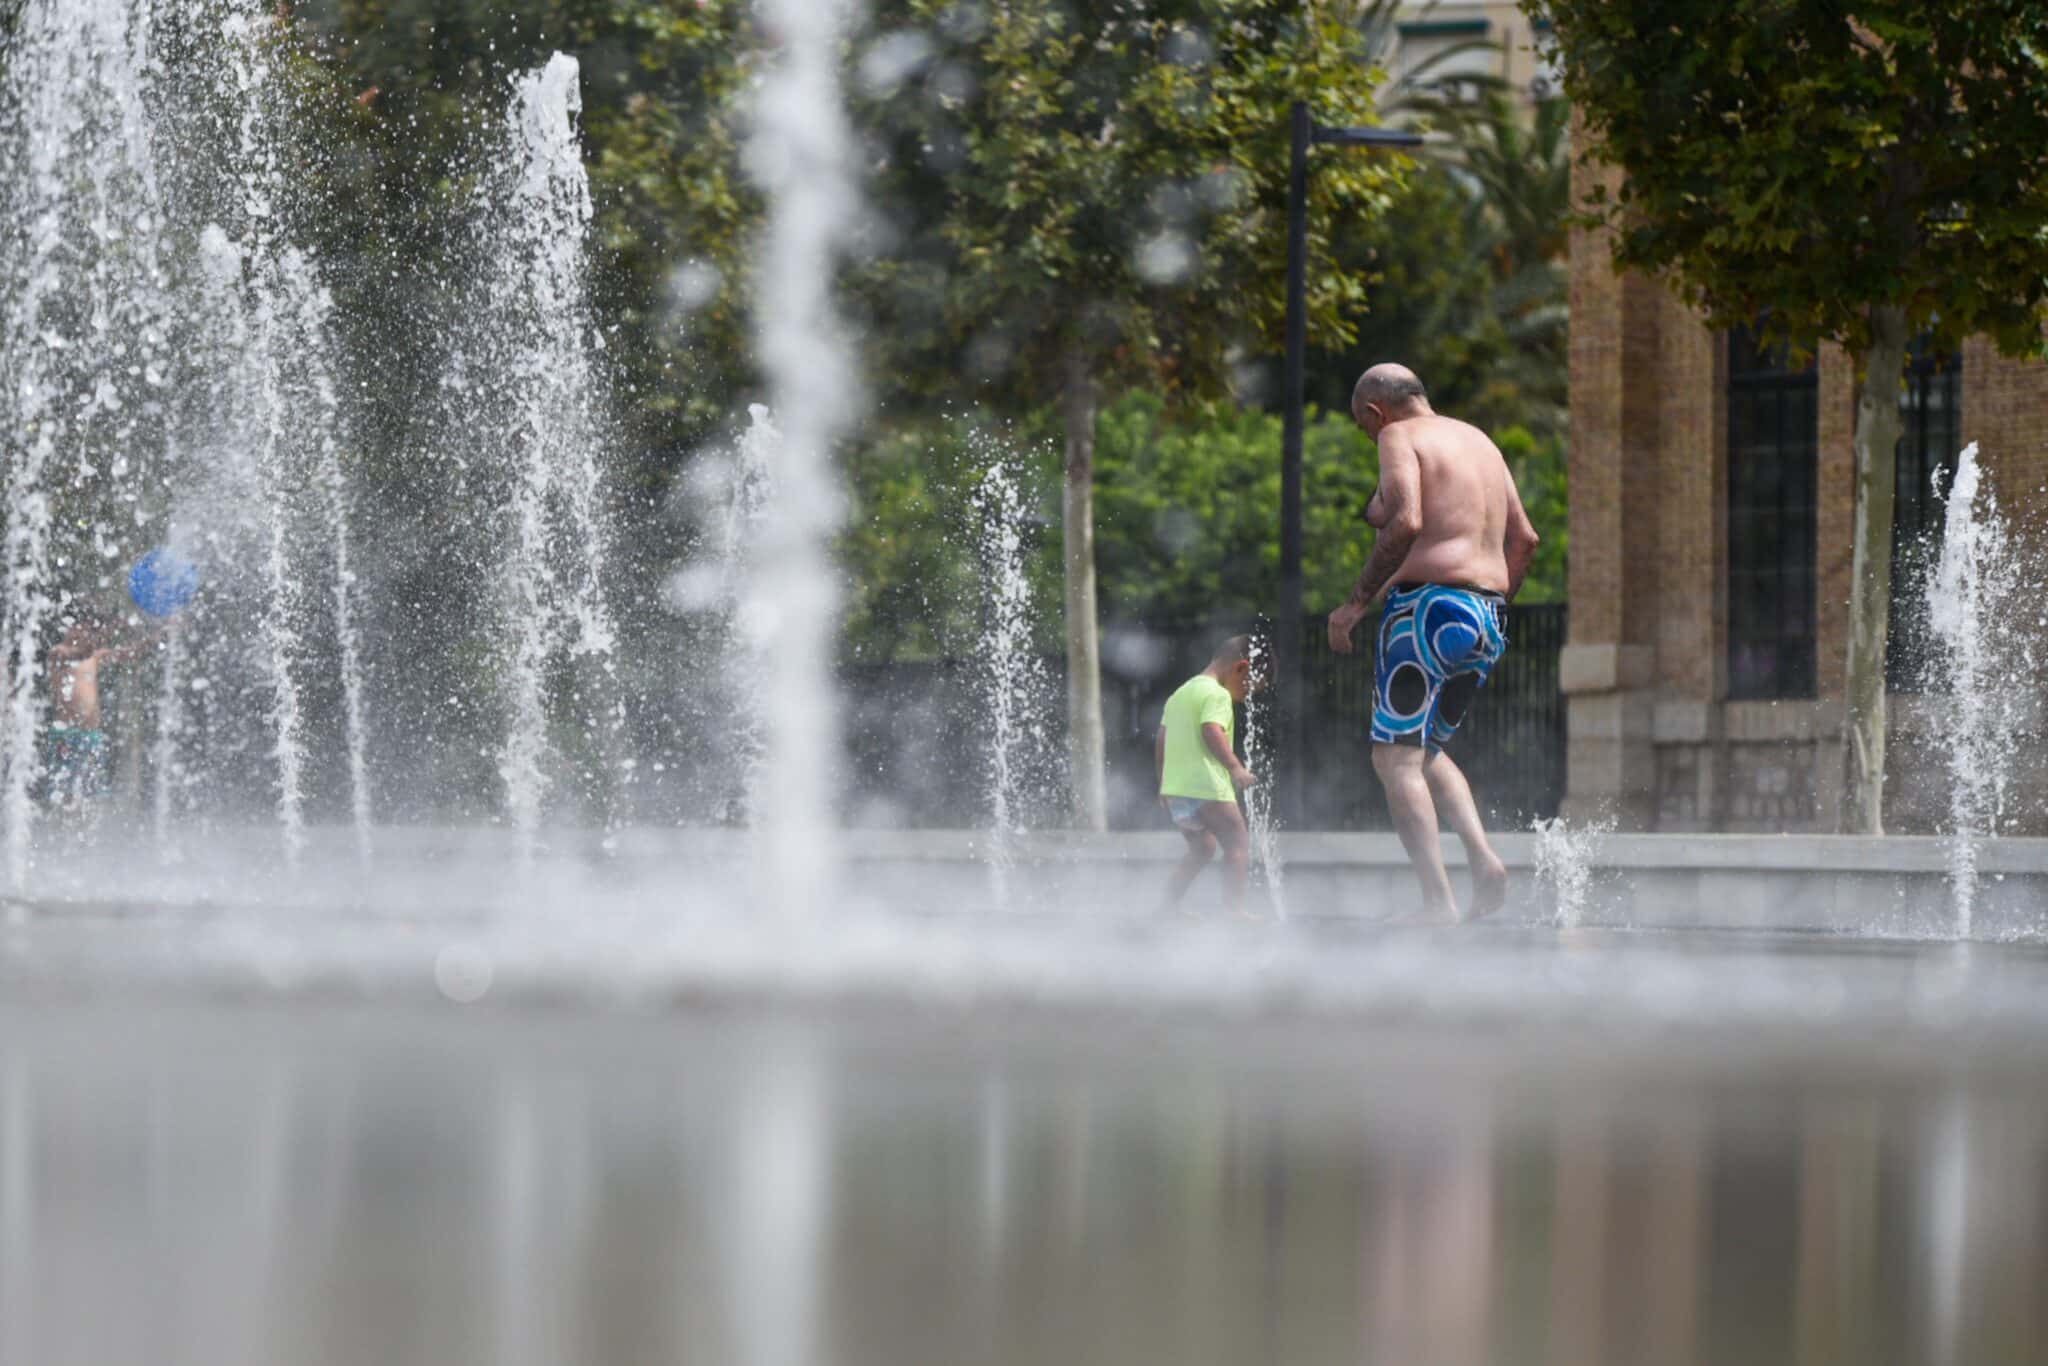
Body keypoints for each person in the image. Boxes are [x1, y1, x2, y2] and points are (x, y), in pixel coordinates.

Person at [1327, 364, 1540, 922]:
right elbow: (1525, 540)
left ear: (1377, 413)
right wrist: (1487, 606)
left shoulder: (1400, 436)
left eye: (1364, 429)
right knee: (1426, 752)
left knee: (1393, 759)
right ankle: (1484, 859)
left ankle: (1436, 904)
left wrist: (1355, 603)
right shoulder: (1482, 443)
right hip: (1487, 618)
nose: (1371, 439)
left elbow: (1406, 521)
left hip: (1424, 609)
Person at [1155, 635, 1260, 913]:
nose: (1247, 695)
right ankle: (1234, 911)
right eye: (1249, 687)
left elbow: (1162, 738)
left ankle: (1167, 906)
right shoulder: (1217, 694)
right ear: (1241, 668)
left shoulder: (1180, 693)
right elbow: (1211, 729)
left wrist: (1163, 782)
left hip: (1177, 790)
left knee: (1202, 849)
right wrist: (1235, 767)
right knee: (1237, 843)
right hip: (1207, 787)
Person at [43, 604, 159, 812]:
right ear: (69, 628)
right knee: (63, 791)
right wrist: (109, 630)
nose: (82, 632)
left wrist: (154, 639)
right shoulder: (58, 653)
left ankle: (86, 836)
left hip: (91, 734)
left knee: (92, 791)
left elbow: (129, 653)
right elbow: (77, 654)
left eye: (87, 629)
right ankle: (61, 832)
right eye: (79, 627)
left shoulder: (95, 656)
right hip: (66, 734)